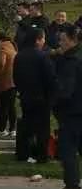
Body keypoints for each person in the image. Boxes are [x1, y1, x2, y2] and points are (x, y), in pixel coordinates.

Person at [13, 27, 56, 163]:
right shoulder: (43, 56)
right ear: (38, 40)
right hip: (42, 97)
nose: (44, 41)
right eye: (43, 38)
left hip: (26, 96)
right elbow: (50, 78)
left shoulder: (19, 55)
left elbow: (16, 77)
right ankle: (42, 155)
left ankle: (24, 154)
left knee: (27, 126)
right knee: (42, 128)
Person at [53, 25, 82, 189]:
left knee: (67, 149)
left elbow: (66, 90)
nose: (60, 43)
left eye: (63, 40)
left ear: (73, 40)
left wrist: (54, 101)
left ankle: (72, 186)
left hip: (72, 111)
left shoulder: (71, 61)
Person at [0, 31, 17, 138]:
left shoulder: (2, 49)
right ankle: (13, 129)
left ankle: (2, 129)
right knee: (11, 107)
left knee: (2, 107)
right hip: (13, 82)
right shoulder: (13, 48)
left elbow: (1, 63)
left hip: (3, 82)